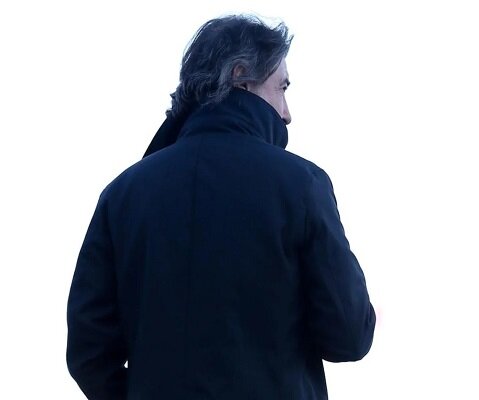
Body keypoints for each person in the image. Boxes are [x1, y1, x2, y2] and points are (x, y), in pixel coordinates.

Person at [67, 14, 375, 400]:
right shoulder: (301, 185)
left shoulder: (121, 196)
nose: (287, 113)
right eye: (282, 87)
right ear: (241, 76)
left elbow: (89, 353)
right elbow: (349, 335)